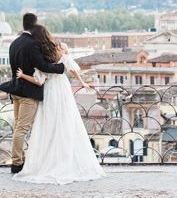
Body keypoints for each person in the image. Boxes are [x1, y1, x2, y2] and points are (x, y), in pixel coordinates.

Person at [13, 25, 106, 185]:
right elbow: (72, 68)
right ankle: (65, 158)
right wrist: (83, 82)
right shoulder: (61, 51)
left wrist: (23, 75)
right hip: (62, 88)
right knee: (66, 120)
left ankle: (46, 160)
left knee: (48, 123)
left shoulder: (41, 58)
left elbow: (39, 80)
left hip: (49, 90)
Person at [8, 13, 65, 174]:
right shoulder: (32, 44)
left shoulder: (14, 43)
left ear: (23, 25)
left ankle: (20, 158)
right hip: (29, 92)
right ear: (35, 24)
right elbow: (42, 66)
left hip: (16, 89)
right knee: (22, 128)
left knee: (18, 126)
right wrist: (61, 68)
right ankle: (17, 162)